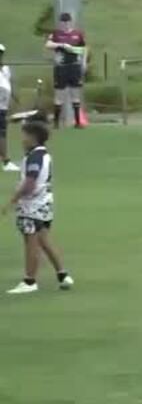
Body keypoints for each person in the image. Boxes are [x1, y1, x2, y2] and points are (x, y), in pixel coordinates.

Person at [4, 121, 73, 294]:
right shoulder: (44, 155)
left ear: (33, 137)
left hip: (32, 206)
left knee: (31, 242)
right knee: (44, 240)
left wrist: (12, 201)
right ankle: (62, 275)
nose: (22, 139)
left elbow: (30, 183)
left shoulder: (35, 157)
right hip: (44, 203)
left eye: (24, 135)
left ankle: (29, 281)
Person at [45, 12, 87, 129]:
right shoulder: (56, 34)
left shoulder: (77, 34)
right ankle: (56, 123)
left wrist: (83, 62)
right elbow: (48, 44)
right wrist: (62, 45)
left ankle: (78, 122)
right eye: (63, 22)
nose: (65, 24)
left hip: (74, 66)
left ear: (70, 22)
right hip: (61, 67)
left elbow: (83, 48)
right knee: (59, 95)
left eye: (67, 22)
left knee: (75, 93)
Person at [0, 44, 19, 171]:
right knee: (1, 134)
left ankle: (6, 161)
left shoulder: (5, 69)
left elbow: (9, 86)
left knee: (2, 133)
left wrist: (15, 98)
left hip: (3, 107)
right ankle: (6, 162)